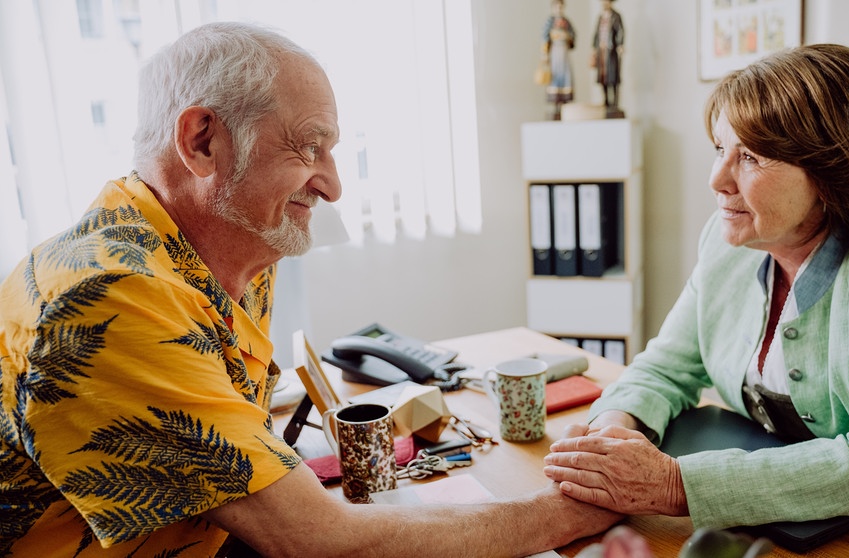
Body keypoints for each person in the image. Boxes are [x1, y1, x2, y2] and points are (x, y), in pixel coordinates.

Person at [0, 22, 621, 557]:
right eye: (308, 146)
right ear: (201, 141)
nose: (332, 185)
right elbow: (312, 539)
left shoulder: (227, 254)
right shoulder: (112, 296)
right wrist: (570, 510)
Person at [543, 44, 849, 530]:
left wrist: (674, 485)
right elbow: (664, 369)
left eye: (751, 157)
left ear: (830, 173)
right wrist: (609, 440)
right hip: (799, 508)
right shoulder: (724, 245)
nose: (717, 179)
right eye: (720, 149)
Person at [541, 0, 576, 120]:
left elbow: (573, 35)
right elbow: (545, 37)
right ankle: (556, 104)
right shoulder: (550, 21)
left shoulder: (566, 22)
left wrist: (567, 37)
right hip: (554, 53)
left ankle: (564, 104)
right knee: (555, 77)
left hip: (564, 53)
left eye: (561, 7)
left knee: (566, 76)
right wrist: (545, 53)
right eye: (557, 7)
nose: (559, 9)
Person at [591, 0, 624, 113]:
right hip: (602, 51)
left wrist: (620, 44)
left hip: (611, 51)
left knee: (613, 77)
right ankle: (606, 101)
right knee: (603, 77)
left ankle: (614, 103)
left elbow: (620, 31)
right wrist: (595, 48)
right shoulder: (600, 17)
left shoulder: (616, 16)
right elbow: (596, 34)